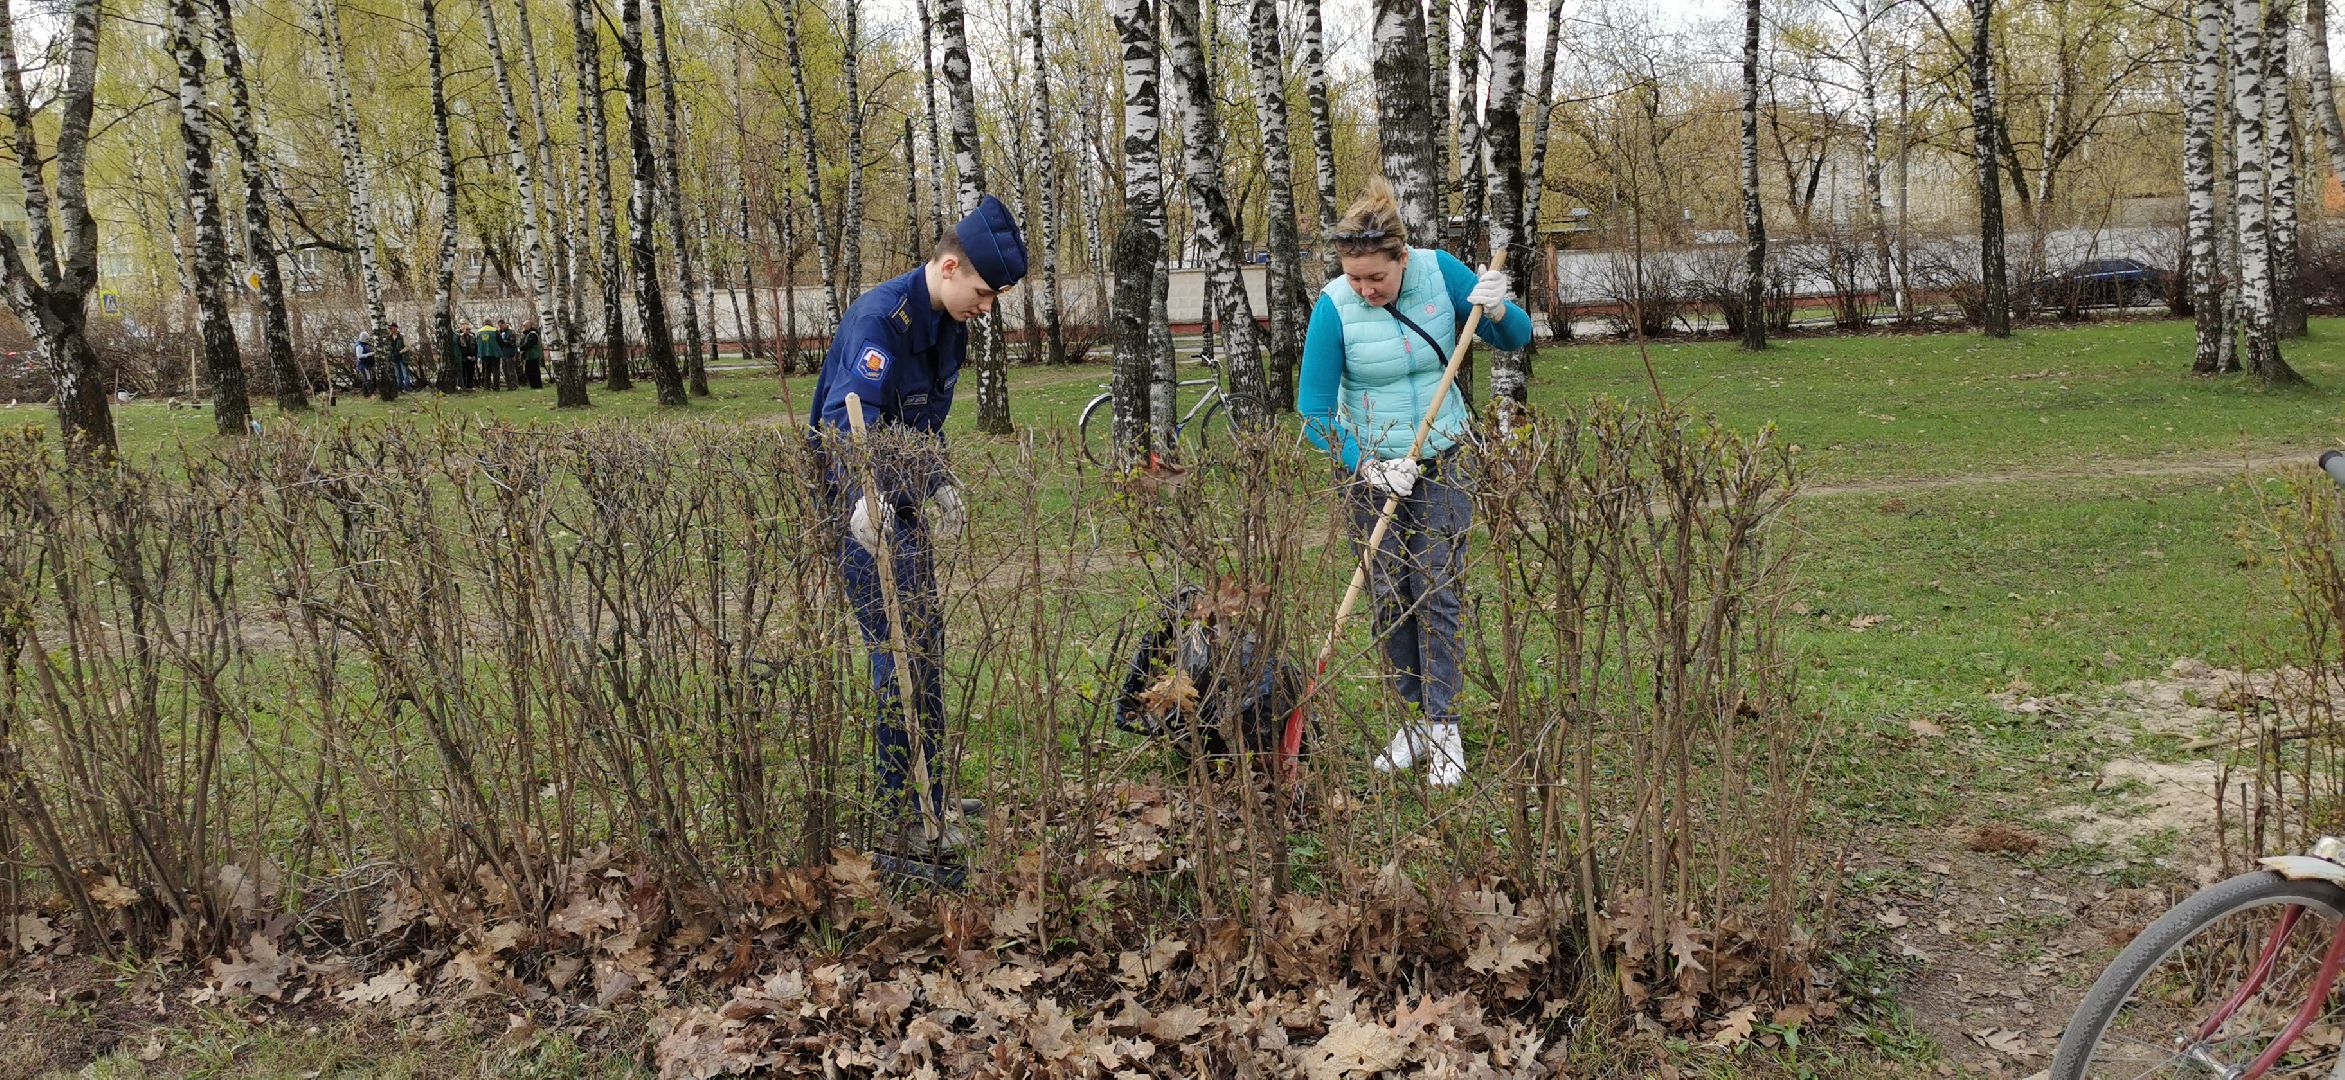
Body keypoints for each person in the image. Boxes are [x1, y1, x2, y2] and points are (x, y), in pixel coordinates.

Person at [1295, 178, 1531, 788]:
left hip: (1444, 455)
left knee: (1437, 588)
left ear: (1402, 259)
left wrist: (1499, 308)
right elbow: (1315, 408)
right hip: (1370, 468)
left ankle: (1445, 722)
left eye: (1377, 277)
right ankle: (1415, 719)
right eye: (1356, 279)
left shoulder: (1439, 272)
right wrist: (1364, 462)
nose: (1366, 290)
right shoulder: (1333, 306)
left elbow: (1514, 338)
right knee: (1389, 597)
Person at [808, 193, 1024, 857]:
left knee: (923, 643)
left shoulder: (946, 325)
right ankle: (903, 812)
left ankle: (927, 792)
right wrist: (861, 498)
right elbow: (852, 420)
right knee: (894, 655)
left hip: (898, 504)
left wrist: (938, 483)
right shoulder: (882, 318)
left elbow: (919, 426)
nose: (986, 310)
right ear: (951, 266)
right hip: (859, 510)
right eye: (984, 294)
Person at [476, 319, 503, 390]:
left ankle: (486, 386)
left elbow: (477, 342)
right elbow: (500, 341)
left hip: (484, 353)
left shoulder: (479, 331)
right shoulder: (494, 330)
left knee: (486, 370)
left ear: (484, 323)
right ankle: (496, 387)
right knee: (496, 370)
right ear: (490, 323)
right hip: (495, 353)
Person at [385, 322, 413, 391]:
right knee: (397, 374)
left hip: (402, 358)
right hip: (394, 358)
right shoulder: (389, 338)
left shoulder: (402, 336)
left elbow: (408, 346)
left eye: (392, 328)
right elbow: (387, 348)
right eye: (390, 328)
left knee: (405, 373)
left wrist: (400, 352)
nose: (391, 329)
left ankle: (407, 387)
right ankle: (400, 388)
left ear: (396, 328)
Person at [519, 323, 544, 389]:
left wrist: (520, 348)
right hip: (529, 356)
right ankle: (533, 385)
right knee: (529, 371)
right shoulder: (527, 334)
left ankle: (537, 385)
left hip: (533, 355)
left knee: (534, 371)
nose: (523, 327)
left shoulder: (533, 334)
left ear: (529, 326)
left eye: (524, 325)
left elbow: (529, 344)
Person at [497, 320, 519, 389]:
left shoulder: (511, 332)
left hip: (510, 353)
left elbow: (512, 342)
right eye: (499, 326)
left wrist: (504, 342)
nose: (500, 327)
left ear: (504, 324)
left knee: (511, 371)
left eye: (501, 326)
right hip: (503, 354)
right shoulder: (500, 333)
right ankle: (509, 385)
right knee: (505, 370)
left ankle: (514, 385)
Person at [456, 323, 478, 389]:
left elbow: (476, 347)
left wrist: (474, 356)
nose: (468, 331)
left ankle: (470, 385)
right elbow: (460, 348)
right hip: (464, 358)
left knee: (471, 372)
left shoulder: (472, 337)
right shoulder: (460, 337)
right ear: (463, 330)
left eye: (469, 329)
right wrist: (466, 356)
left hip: (472, 357)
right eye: (467, 329)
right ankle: (464, 385)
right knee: (464, 372)